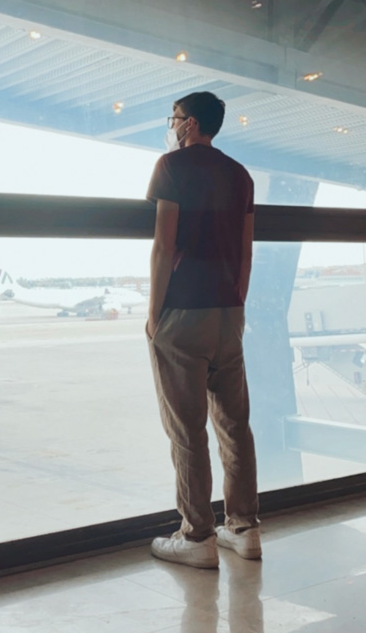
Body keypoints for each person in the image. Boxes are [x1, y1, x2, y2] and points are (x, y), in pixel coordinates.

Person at [145, 91, 260, 569]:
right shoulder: (241, 175)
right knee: (235, 424)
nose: (171, 124)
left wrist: (155, 316)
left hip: (183, 309)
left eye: (174, 117)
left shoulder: (171, 166)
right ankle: (245, 529)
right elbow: (246, 250)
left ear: (189, 123)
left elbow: (162, 245)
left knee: (187, 429)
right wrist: (237, 303)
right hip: (228, 310)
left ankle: (197, 538)